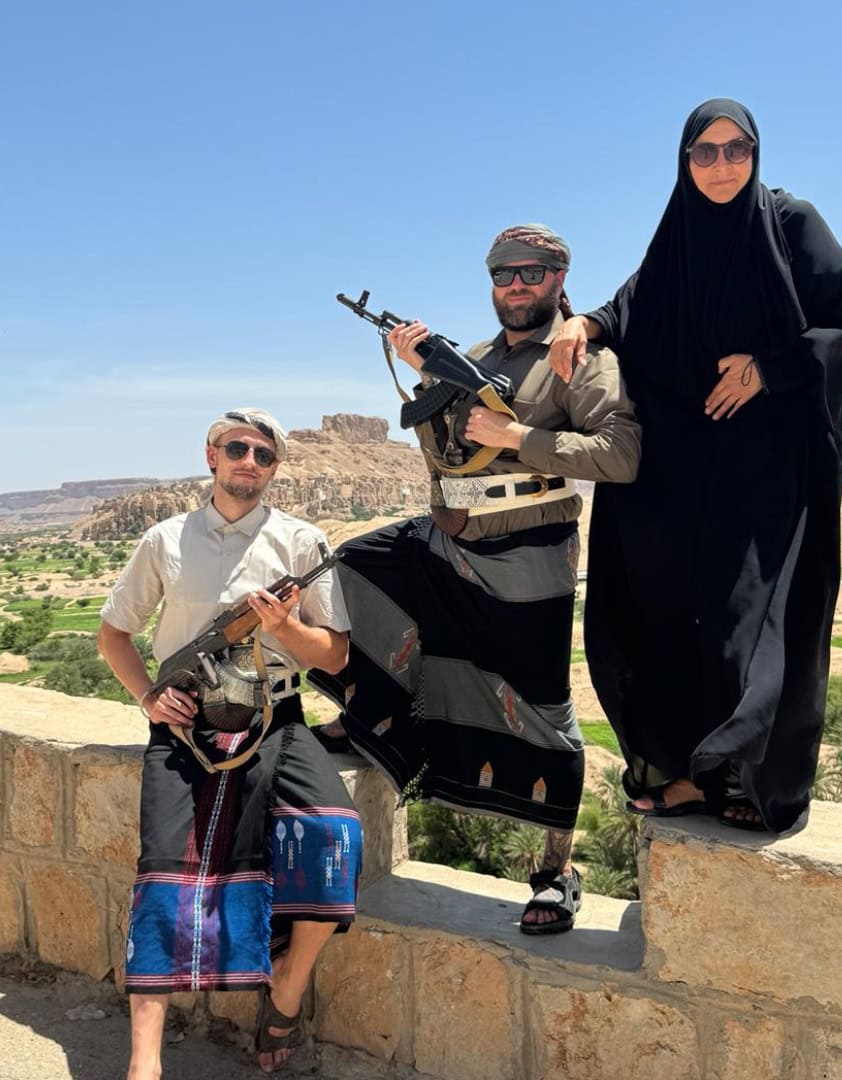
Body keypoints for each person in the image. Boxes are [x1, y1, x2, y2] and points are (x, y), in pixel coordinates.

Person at [545, 99, 842, 834]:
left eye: (736, 150)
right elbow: (632, 307)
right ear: (684, 161)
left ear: (756, 155)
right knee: (661, 610)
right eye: (705, 152)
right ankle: (692, 777)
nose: (721, 166)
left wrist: (768, 369)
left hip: (769, 471)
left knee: (749, 629)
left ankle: (758, 785)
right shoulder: (679, 237)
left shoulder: (792, 224)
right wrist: (584, 322)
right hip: (684, 464)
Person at [309, 224, 639, 932]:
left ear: (558, 278)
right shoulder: (477, 357)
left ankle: (556, 872)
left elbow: (620, 454)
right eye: (502, 274)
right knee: (358, 566)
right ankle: (374, 715)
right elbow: (449, 452)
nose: (515, 286)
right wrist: (426, 372)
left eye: (530, 273)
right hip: (451, 536)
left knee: (543, 706)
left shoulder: (580, 357)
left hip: (531, 552)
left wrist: (519, 436)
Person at [97, 409, 360, 1077]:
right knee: (164, 869)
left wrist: (284, 629)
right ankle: (145, 1061)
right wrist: (149, 698)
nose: (250, 461)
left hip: (277, 716)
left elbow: (333, 654)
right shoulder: (165, 539)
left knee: (335, 835)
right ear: (212, 456)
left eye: (264, 455)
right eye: (238, 448)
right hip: (185, 723)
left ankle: (286, 989)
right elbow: (114, 635)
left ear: (275, 469)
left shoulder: (301, 541)